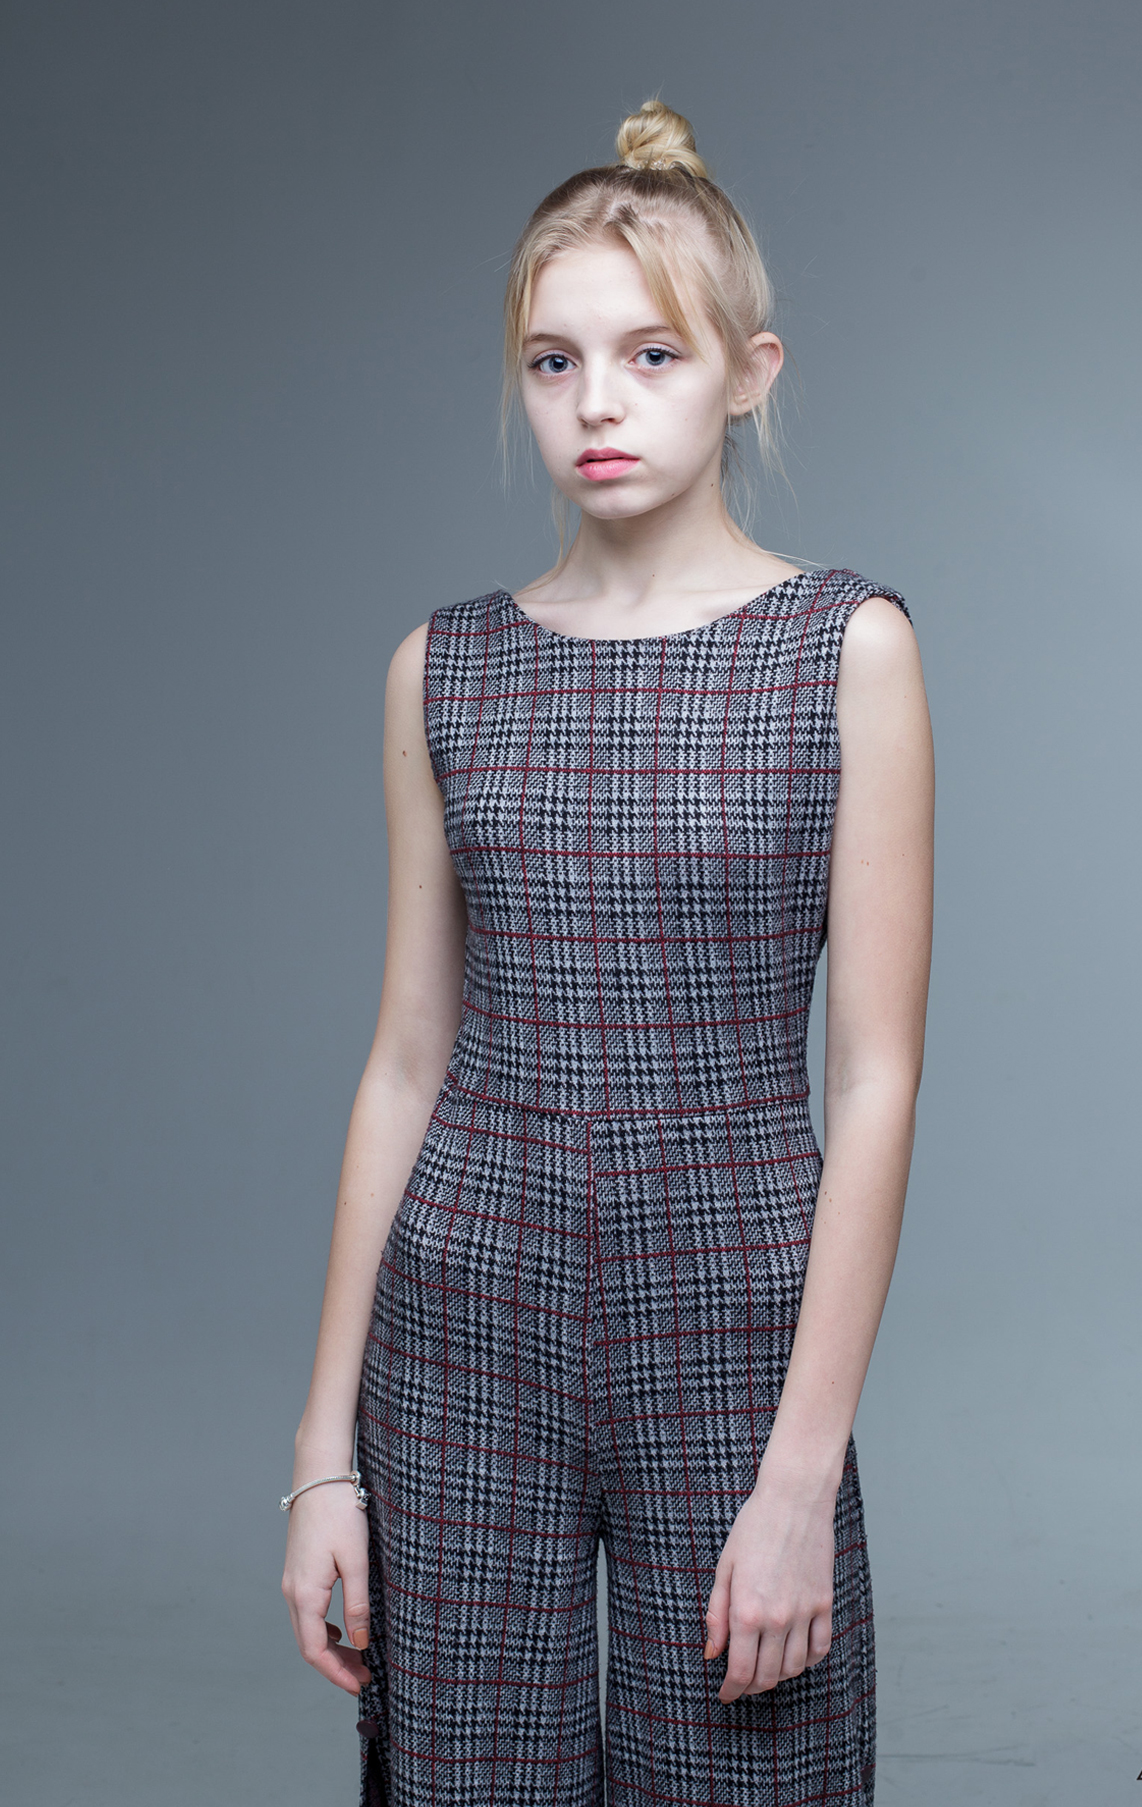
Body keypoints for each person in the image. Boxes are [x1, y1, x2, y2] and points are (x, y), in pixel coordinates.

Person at [281, 96, 933, 1807]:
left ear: (749, 373)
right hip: (464, 1313)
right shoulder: (446, 667)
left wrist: (802, 1473)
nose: (598, 402)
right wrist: (323, 1453)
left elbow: (875, 1080)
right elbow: (405, 1062)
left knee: (749, 1770)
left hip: (733, 1311)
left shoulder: (843, 649)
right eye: (552, 362)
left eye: (651, 354)